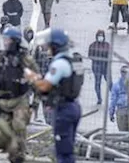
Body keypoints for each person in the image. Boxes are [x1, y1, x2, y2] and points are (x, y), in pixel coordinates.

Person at [25, 29, 85, 163]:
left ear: (55, 46)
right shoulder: (72, 60)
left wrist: (32, 78)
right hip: (74, 106)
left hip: (63, 109)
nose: (46, 48)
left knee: (62, 151)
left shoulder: (59, 63)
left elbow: (44, 86)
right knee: (68, 149)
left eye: (49, 45)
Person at [0, 27, 37, 163]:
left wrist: (35, 104)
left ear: (15, 41)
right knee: (3, 135)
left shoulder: (26, 60)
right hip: (2, 102)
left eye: (7, 40)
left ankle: (18, 158)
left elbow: (37, 82)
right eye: (4, 40)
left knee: (19, 128)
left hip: (20, 100)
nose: (5, 42)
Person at [88, 30, 111, 104]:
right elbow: (90, 55)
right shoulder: (93, 45)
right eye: (99, 36)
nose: (100, 37)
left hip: (106, 66)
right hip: (96, 66)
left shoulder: (107, 45)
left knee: (109, 82)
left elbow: (110, 55)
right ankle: (99, 98)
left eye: (102, 36)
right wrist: (97, 59)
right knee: (97, 82)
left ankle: (114, 96)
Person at [108, 65, 129, 130]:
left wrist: (111, 113)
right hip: (124, 110)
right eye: (123, 72)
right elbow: (113, 100)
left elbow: (113, 100)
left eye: (125, 72)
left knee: (124, 134)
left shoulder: (116, 85)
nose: (124, 74)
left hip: (127, 110)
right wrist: (111, 113)